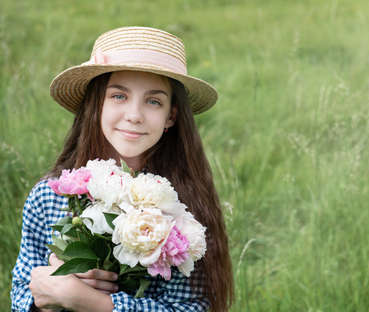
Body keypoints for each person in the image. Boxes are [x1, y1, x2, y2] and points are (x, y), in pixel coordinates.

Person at [10, 26, 234, 312]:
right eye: (119, 96)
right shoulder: (50, 196)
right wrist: (46, 295)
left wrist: (92, 302)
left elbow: (192, 308)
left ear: (171, 116)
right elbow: (22, 290)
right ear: (97, 103)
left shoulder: (185, 212)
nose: (134, 116)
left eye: (153, 101)